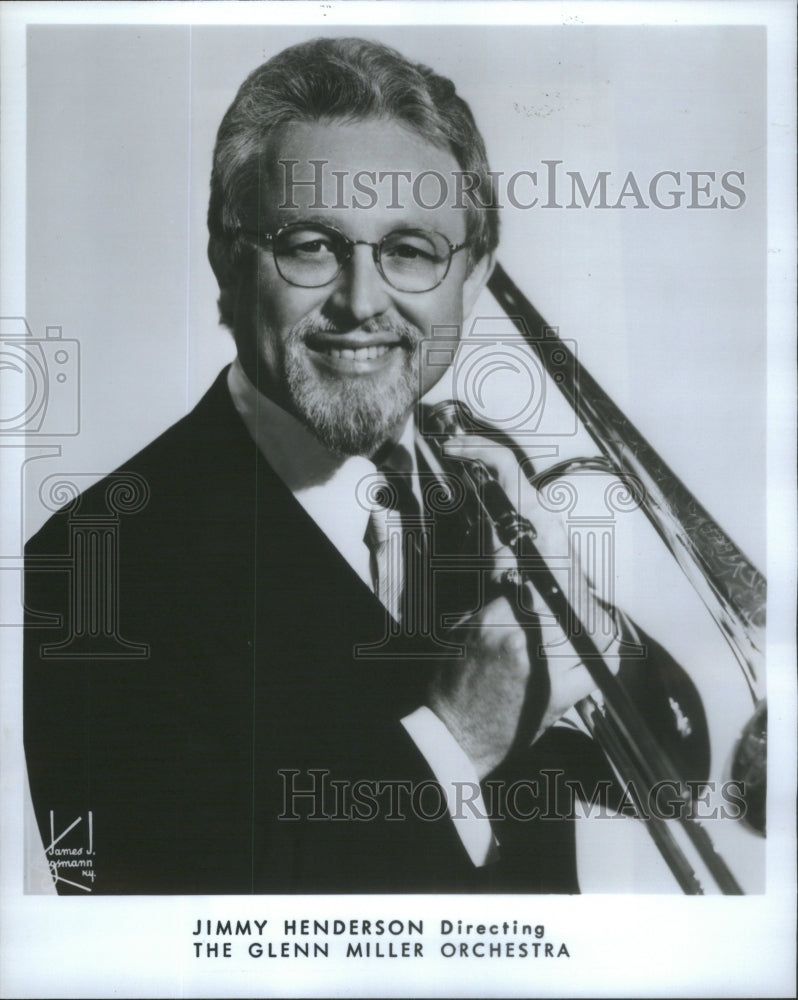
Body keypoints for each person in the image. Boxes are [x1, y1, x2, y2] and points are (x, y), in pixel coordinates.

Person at [23, 36, 705, 895]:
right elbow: (151, 936)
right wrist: (455, 740)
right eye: (311, 245)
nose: (361, 302)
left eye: (411, 249)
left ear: (476, 273)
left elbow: (674, 775)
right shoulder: (93, 562)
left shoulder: (483, 486)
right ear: (229, 264)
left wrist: (592, 624)